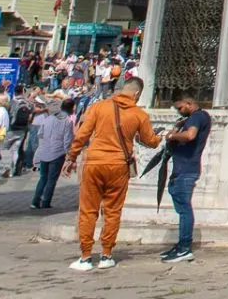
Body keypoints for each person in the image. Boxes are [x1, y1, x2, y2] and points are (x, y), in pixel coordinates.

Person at [63, 75, 163, 271]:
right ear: (137, 93)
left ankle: (85, 256)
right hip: (118, 165)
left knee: (87, 211)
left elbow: (82, 134)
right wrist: (159, 137)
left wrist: (71, 157)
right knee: (112, 211)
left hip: (94, 162)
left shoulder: (99, 107)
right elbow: (150, 141)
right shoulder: (138, 114)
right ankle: (106, 254)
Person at [160, 91, 212, 263]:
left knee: (184, 209)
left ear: (188, 103)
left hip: (187, 169)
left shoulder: (197, 117)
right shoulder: (193, 118)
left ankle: (184, 247)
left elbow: (190, 135)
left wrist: (172, 135)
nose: (179, 111)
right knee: (181, 206)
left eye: (180, 107)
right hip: (182, 168)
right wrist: (177, 126)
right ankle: (181, 245)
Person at [29, 94, 75, 210]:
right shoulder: (67, 122)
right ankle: (46, 201)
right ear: (71, 109)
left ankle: (35, 201)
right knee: (51, 180)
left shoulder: (48, 119)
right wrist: (69, 156)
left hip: (44, 151)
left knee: (43, 177)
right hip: (57, 153)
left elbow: (40, 134)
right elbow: (67, 140)